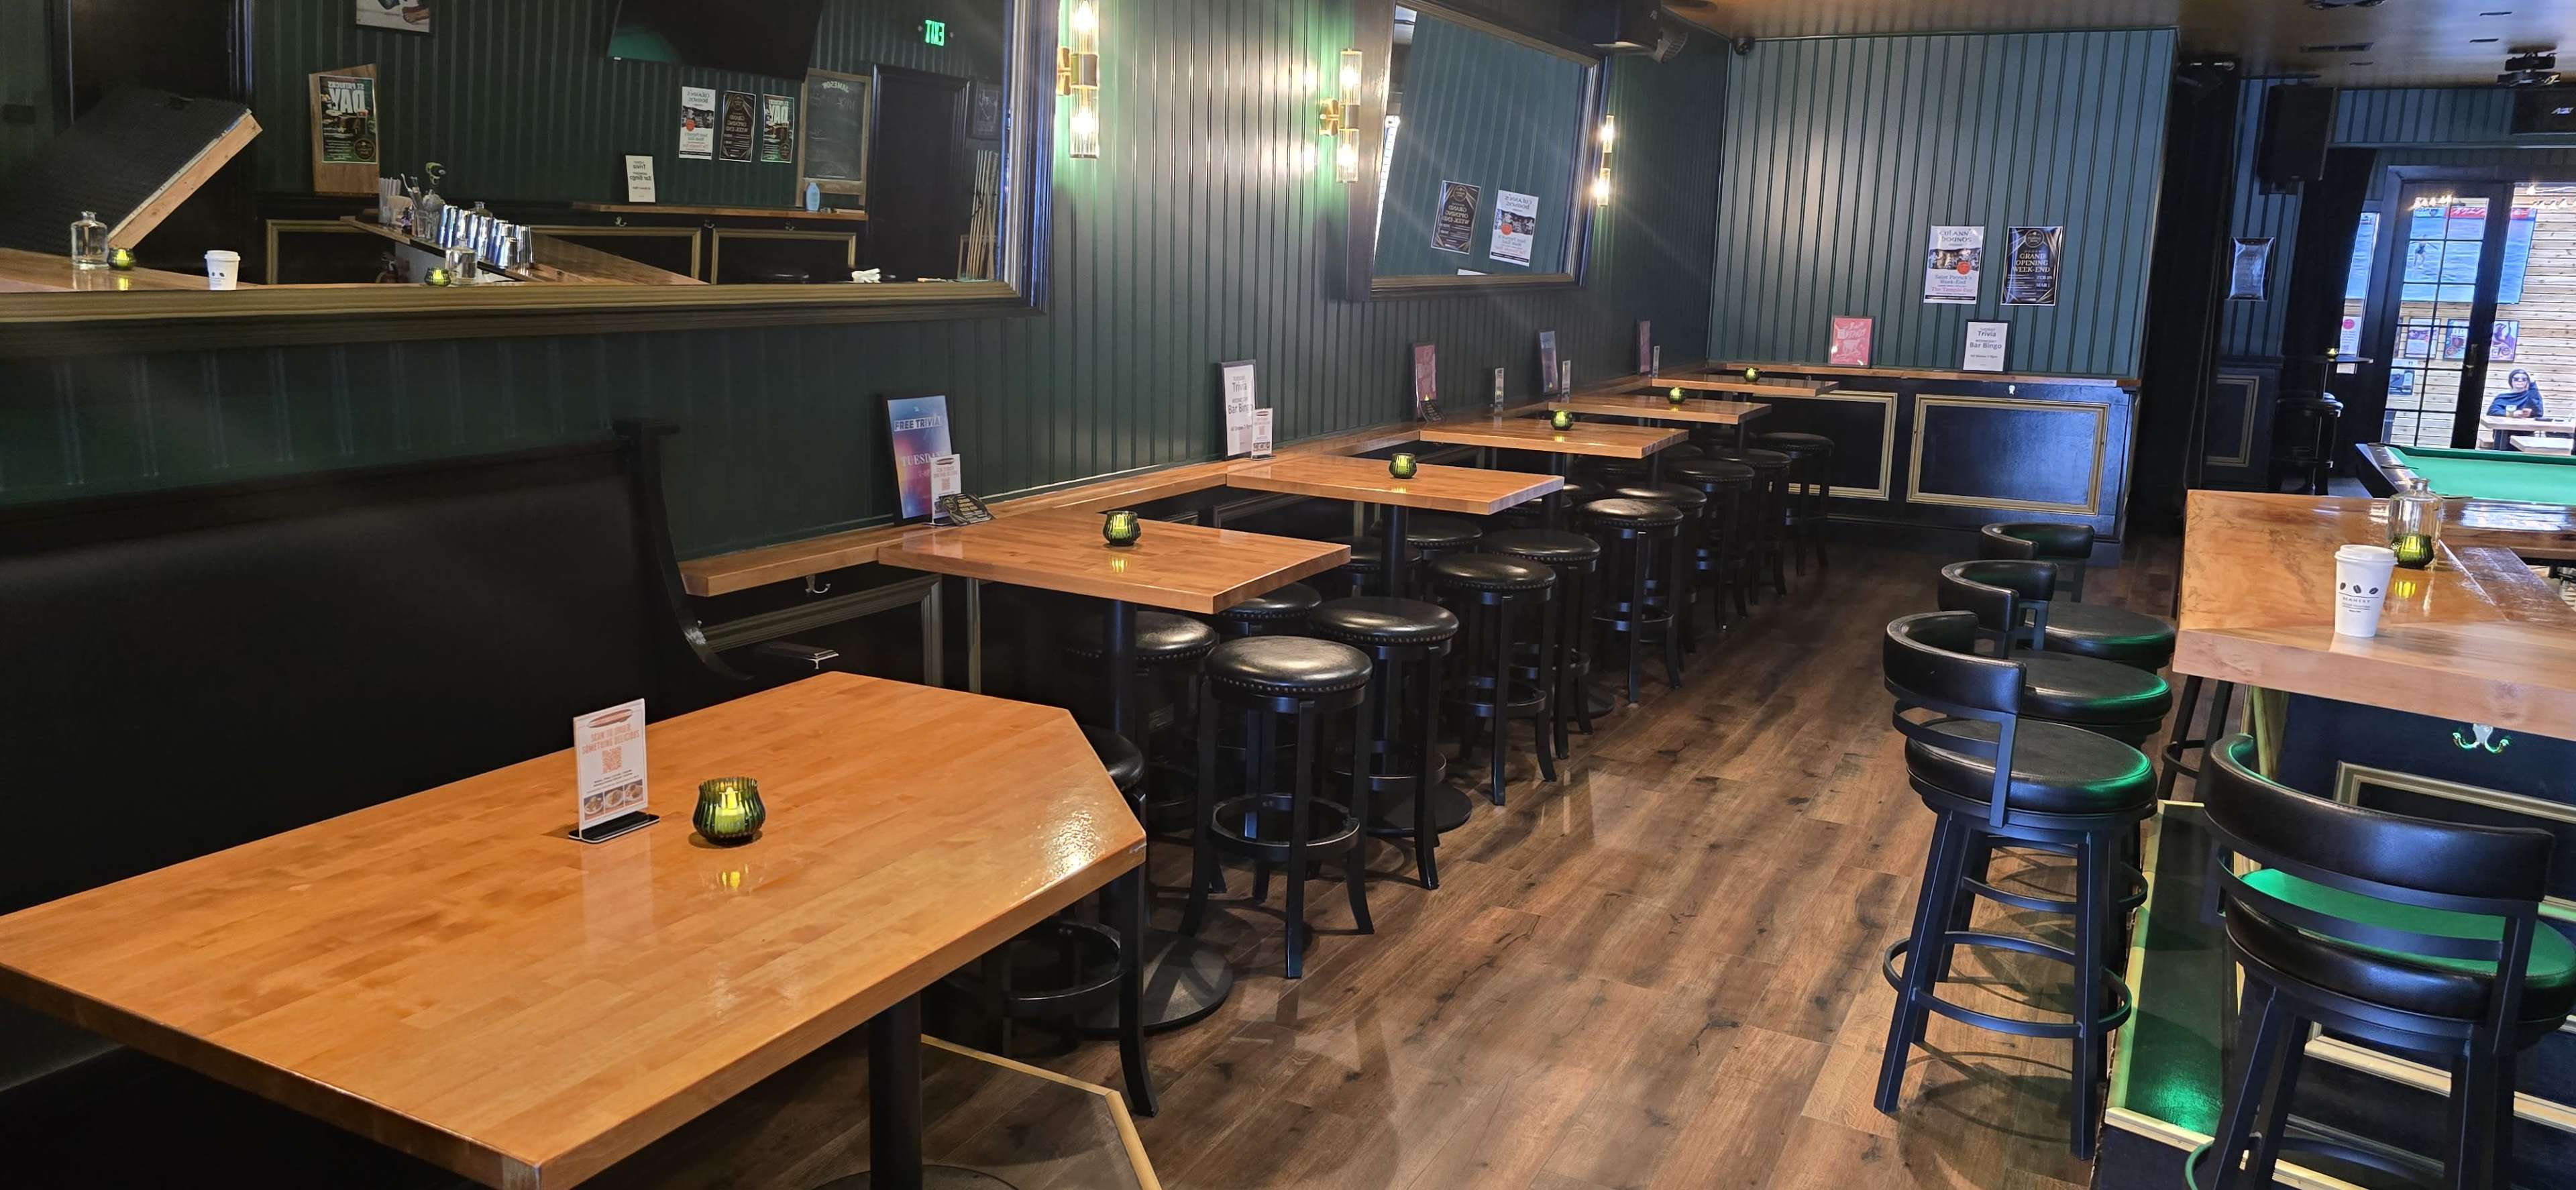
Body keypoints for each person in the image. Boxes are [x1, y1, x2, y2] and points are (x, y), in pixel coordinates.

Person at [2489, 368, 2547, 450]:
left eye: (2524, 379)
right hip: (2503, 433)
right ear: (2511, 381)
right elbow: (2492, 411)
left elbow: (2538, 412)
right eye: (2516, 379)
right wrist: (2513, 414)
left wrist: (2530, 413)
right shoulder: (2503, 396)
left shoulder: (2531, 395)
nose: (2520, 381)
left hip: (2525, 433)